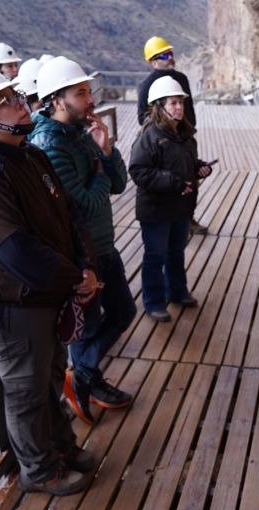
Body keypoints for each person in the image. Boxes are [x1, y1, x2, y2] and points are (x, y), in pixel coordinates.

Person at [0, 63, 99, 496]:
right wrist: (75, 278)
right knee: (27, 389)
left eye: (15, 96)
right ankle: (39, 469)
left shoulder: (28, 153)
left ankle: (61, 448)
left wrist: (83, 264)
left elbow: (68, 215)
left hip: (45, 293)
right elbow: (15, 252)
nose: (18, 103)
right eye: (6, 101)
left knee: (50, 374)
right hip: (13, 304)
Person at [29, 56, 136, 423]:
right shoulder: (47, 145)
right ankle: (87, 380)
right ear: (57, 100)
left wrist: (106, 151)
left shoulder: (80, 133)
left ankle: (82, 378)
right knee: (86, 329)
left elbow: (119, 185)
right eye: (81, 93)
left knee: (124, 311)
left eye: (89, 91)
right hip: (82, 255)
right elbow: (86, 202)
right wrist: (99, 172)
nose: (90, 100)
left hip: (104, 245)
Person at [129, 76, 213, 322]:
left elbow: (184, 163)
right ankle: (154, 302)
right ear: (159, 106)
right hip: (156, 211)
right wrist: (174, 183)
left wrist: (199, 167)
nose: (179, 107)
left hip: (180, 208)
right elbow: (138, 171)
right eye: (173, 103)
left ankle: (177, 292)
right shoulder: (150, 136)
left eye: (181, 103)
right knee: (155, 256)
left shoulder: (184, 134)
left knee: (176, 252)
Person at [137, 36, 208, 236]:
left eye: (171, 54)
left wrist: (187, 131)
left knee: (190, 177)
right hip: (161, 142)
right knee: (168, 179)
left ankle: (188, 218)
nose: (170, 58)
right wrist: (163, 131)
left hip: (184, 139)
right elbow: (142, 116)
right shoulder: (146, 86)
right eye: (165, 55)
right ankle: (169, 223)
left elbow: (190, 109)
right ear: (153, 62)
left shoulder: (182, 79)